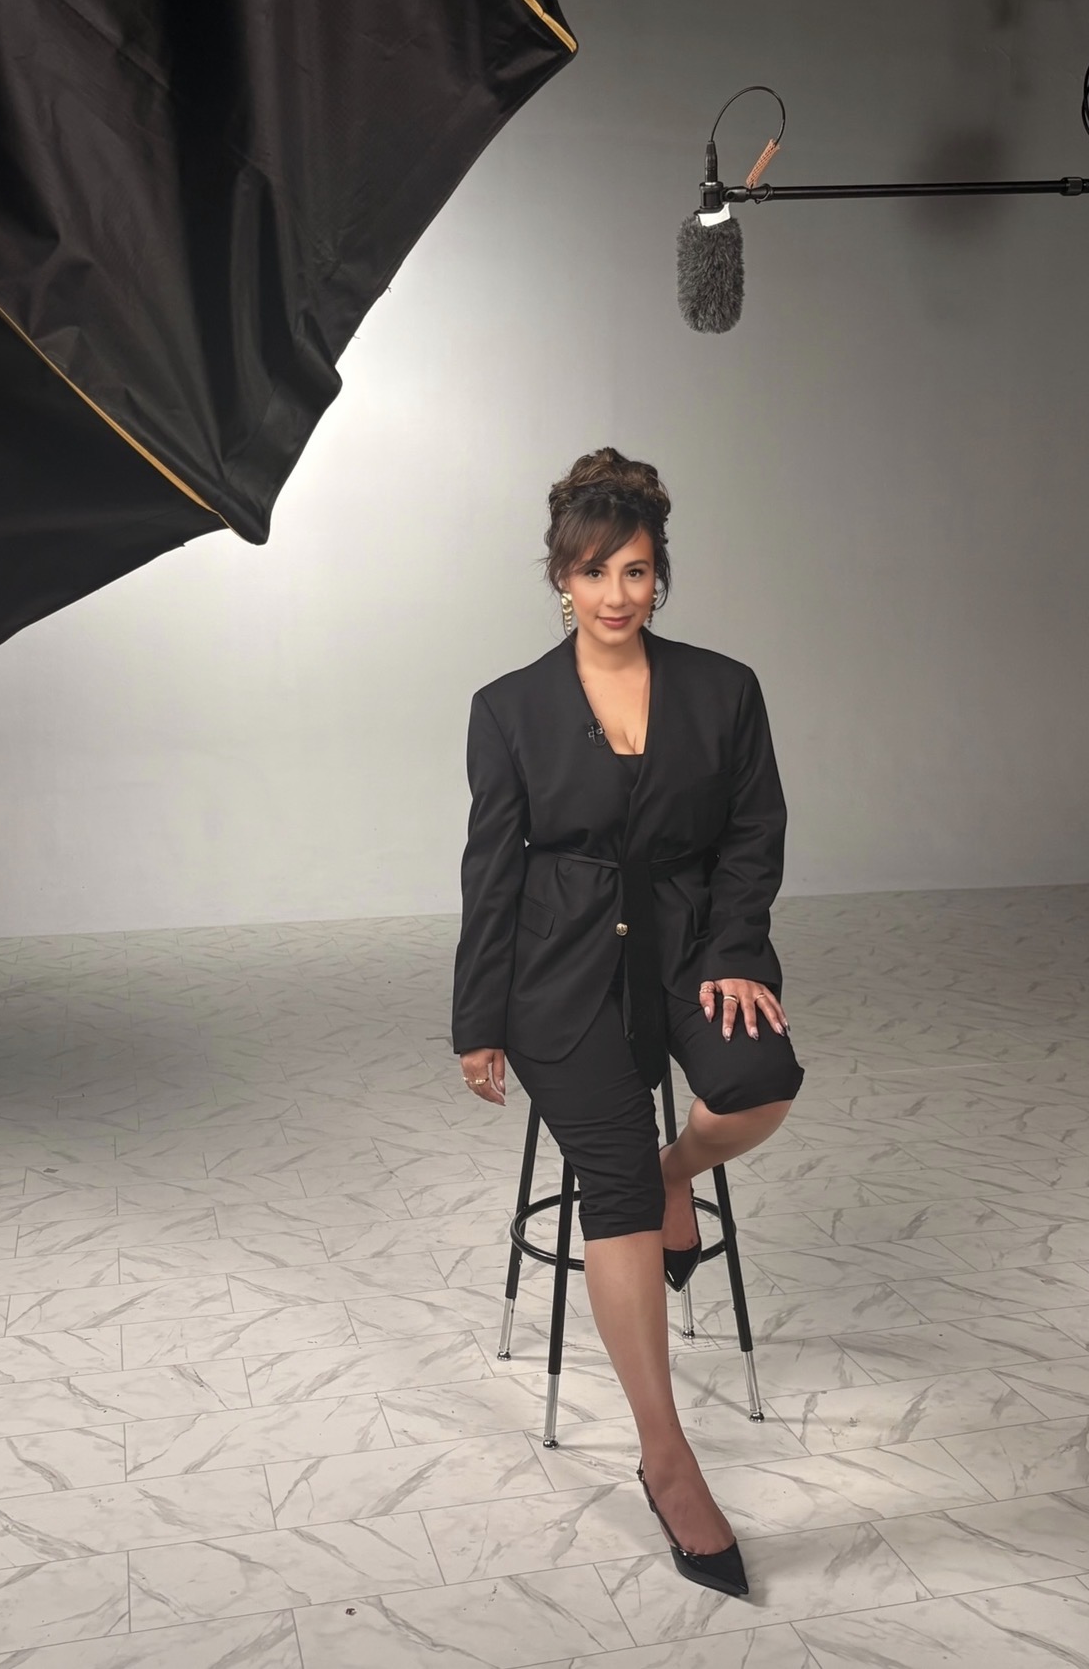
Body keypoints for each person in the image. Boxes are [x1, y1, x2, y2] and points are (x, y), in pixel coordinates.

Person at [452, 447, 804, 1598]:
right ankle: (666, 1456)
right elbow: (491, 870)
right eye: (594, 571)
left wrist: (738, 949)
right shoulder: (508, 707)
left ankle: (675, 1171)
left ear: (662, 575)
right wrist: (477, 1017)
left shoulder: (724, 688)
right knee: (607, 1182)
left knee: (760, 1082)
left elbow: (753, 830)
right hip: (557, 971)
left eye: (637, 570)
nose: (616, 593)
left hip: (694, 945)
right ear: (561, 577)